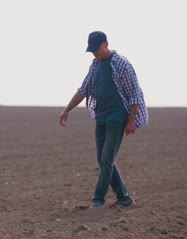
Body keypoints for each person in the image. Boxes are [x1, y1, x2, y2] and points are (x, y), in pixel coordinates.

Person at [58, 31, 148, 209]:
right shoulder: (94, 65)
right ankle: (124, 199)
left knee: (106, 159)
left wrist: (131, 121)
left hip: (117, 118)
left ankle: (97, 200)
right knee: (103, 160)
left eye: (96, 49)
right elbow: (83, 90)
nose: (94, 53)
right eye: (91, 51)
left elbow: (134, 95)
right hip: (100, 118)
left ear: (106, 44)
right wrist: (66, 110)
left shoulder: (122, 64)